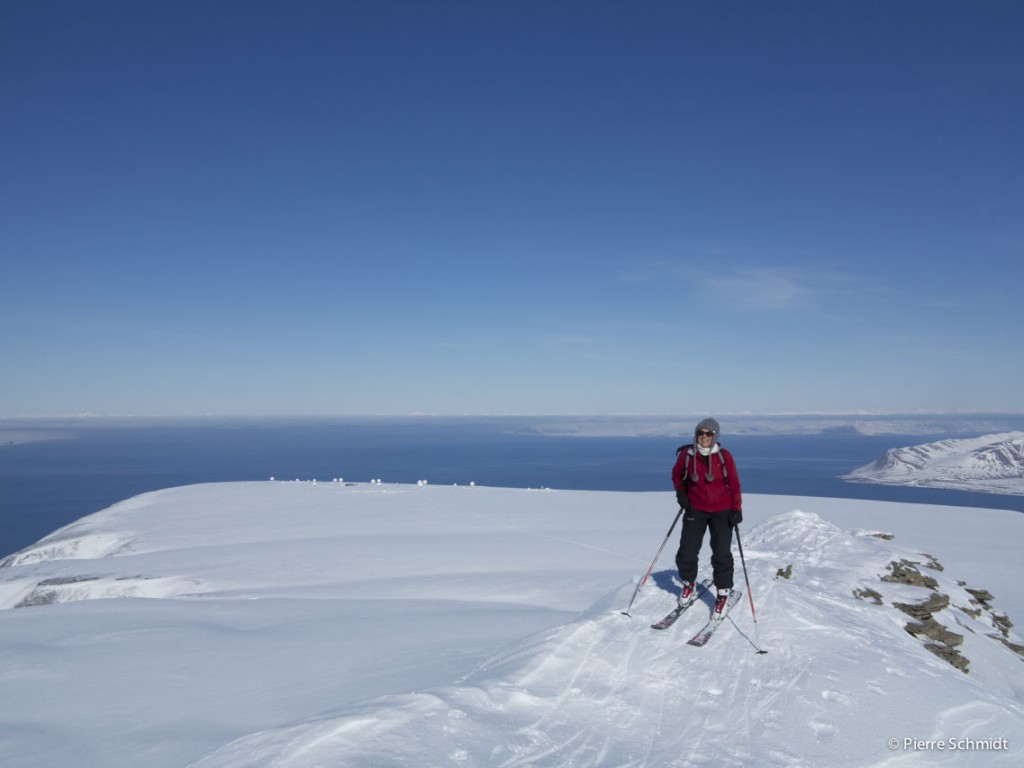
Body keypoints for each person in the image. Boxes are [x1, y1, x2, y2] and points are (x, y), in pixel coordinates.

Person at [671, 418, 742, 617]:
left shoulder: (724, 456)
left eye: (708, 434)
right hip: (696, 509)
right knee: (687, 551)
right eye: (701, 433)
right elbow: (677, 475)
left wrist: (737, 510)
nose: (704, 437)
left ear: (715, 436)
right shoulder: (687, 455)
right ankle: (688, 583)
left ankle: (722, 592)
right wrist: (681, 494)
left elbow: (735, 485)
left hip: (722, 510)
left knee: (721, 554)